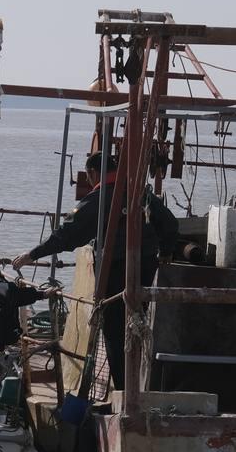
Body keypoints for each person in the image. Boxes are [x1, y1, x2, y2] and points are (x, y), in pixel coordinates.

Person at [10, 152, 179, 391]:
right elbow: (170, 225)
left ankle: (123, 391)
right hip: (147, 267)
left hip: (114, 270)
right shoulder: (142, 194)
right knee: (142, 324)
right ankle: (146, 384)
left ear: (92, 173)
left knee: (114, 329)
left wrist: (33, 254)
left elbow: (67, 234)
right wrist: (166, 254)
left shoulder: (97, 199)